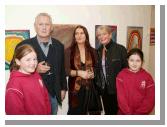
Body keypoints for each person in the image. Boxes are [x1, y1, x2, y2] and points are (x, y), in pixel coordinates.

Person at [10, 13, 67, 115]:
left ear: (51, 27)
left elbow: (62, 69)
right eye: (40, 24)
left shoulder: (59, 46)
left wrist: (63, 88)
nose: (44, 27)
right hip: (32, 97)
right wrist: (35, 70)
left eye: (47, 24)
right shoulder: (23, 45)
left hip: (54, 95)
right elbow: (12, 68)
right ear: (35, 26)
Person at [65, 25, 102, 115]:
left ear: (86, 35)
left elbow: (98, 69)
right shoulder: (68, 51)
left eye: (82, 33)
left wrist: (93, 73)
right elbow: (65, 70)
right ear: (74, 37)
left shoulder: (94, 51)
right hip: (75, 90)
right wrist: (79, 73)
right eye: (76, 33)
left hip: (91, 89)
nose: (79, 35)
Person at [6, 44, 51, 115]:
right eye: (28, 59)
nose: (33, 63)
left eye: (35, 59)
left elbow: (45, 97)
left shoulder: (36, 75)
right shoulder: (14, 86)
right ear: (18, 62)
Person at [95, 25, 128, 115]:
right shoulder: (97, 51)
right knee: (108, 113)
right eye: (99, 35)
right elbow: (97, 71)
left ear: (110, 35)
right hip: (104, 89)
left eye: (104, 34)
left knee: (119, 113)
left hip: (118, 89)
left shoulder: (120, 49)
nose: (101, 37)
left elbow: (127, 71)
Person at [116, 48, 155, 115]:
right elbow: (121, 99)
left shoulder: (148, 77)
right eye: (131, 60)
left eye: (138, 61)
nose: (134, 63)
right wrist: (129, 114)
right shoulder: (121, 76)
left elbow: (150, 100)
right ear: (127, 60)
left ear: (142, 62)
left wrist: (137, 115)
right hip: (124, 114)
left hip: (141, 115)